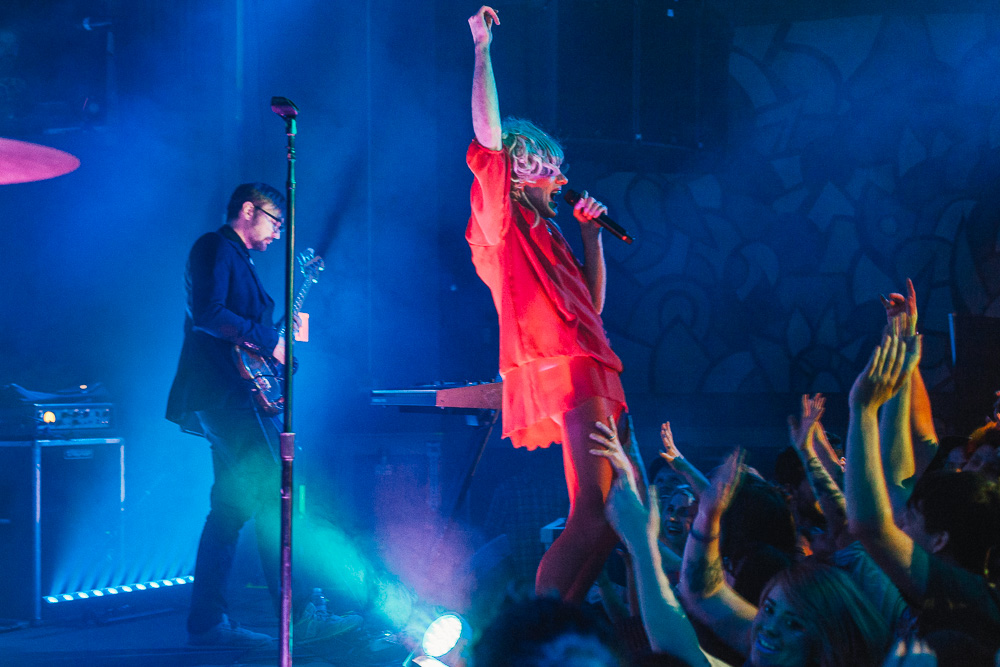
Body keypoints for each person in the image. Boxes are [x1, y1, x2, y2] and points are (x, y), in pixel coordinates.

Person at [466, 6, 635, 603]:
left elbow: (591, 308)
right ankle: (539, 631)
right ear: (521, 166)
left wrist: (591, 238)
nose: (561, 176)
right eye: (550, 164)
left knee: (618, 516)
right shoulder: (501, 223)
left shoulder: (553, 234)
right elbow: (488, 139)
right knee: (591, 511)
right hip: (561, 365)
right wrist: (483, 49)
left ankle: (564, 620)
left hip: (588, 358)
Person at [166, 183, 360, 647]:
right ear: (249, 211)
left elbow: (244, 336)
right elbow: (209, 314)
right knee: (280, 497)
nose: (279, 233)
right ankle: (298, 619)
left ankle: (207, 622)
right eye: (276, 221)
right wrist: (267, 338)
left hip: (232, 395)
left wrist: (281, 340)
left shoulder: (242, 261)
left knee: (230, 509)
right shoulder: (214, 247)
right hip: (226, 396)